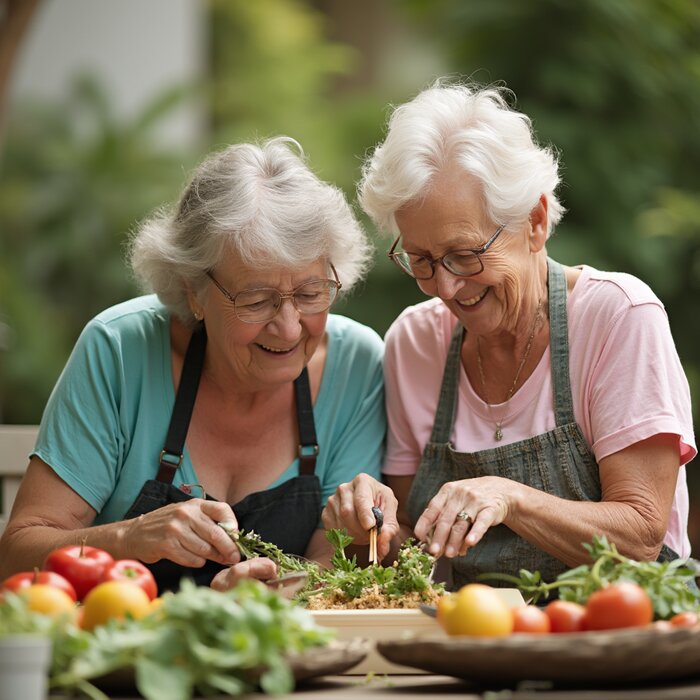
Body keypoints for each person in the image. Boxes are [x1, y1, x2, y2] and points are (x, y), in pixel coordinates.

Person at [322, 81, 696, 590]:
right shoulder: (414, 342)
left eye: (465, 253)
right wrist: (374, 525)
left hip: (623, 634)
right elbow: (414, 549)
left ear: (536, 221)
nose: (446, 287)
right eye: (422, 260)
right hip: (476, 638)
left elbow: (641, 536)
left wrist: (511, 498)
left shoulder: (617, 316)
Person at [0, 137, 386, 592]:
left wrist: (270, 594)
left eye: (309, 293)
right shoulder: (121, 350)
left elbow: (337, 557)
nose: (288, 328)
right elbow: (15, 556)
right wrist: (128, 538)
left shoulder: (355, 364)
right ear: (192, 291)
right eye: (256, 300)